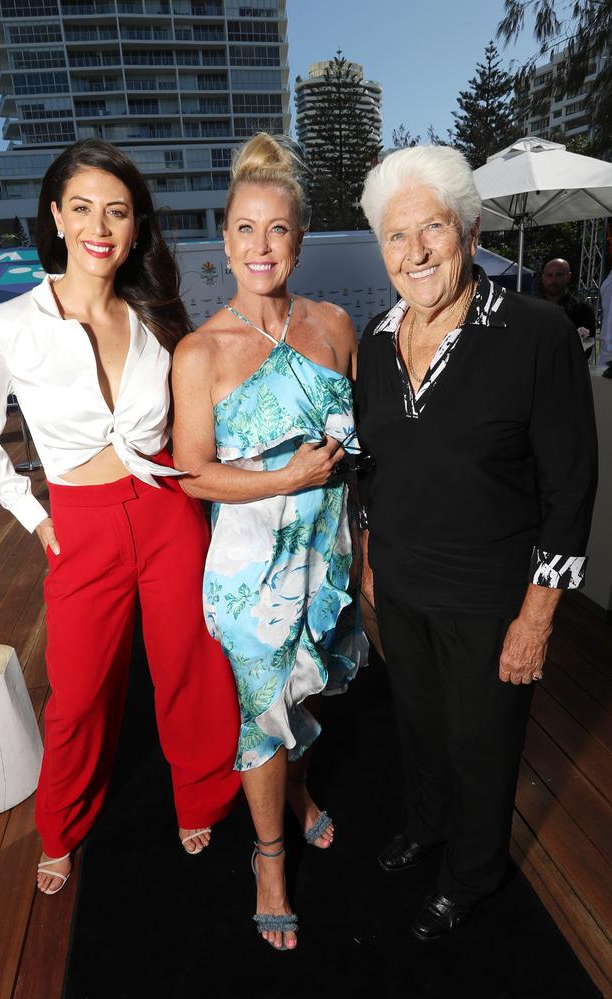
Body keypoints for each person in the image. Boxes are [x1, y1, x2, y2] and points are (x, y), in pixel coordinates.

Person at [0, 140, 241, 895]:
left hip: (167, 511)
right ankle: (62, 822)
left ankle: (203, 791)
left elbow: (196, 415)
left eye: (117, 210)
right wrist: (34, 514)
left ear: (136, 226)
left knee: (192, 663)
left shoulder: (155, 312)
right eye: (82, 207)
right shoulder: (7, 326)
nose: (100, 224)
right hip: (80, 524)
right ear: (54, 215)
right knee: (79, 690)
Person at [355, 146, 598, 942]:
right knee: (419, 725)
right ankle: (428, 824)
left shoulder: (535, 332)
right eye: (397, 235)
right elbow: (372, 469)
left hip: (494, 597)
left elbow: (571, 489)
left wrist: (538, 616)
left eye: (433, 228)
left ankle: (472, 870)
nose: (416, 251)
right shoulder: (375, 340)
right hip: (403, 581)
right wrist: (368, 566)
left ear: (468, 229)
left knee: (483, 744)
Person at [172, 133, 359, 950]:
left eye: (277, 229)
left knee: (304, 697)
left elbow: (355, 460)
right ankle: (271, 858)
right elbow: (193, 474)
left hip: (325, 561)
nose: (261, 246)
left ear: (300, 239)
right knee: (260, 715)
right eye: (245, 229)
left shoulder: (336, 327)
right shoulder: (201, 351)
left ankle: (297, 794)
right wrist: (286, 480)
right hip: (249, 575)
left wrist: (365, 550)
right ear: (224, 241)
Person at [539, 257, 596, 337]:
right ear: (543, 278)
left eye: (559, 275)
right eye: (549, 275)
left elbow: (586, 345)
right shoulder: (533, 308)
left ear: (568, 277)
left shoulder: (582, 310)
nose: (553, 280)